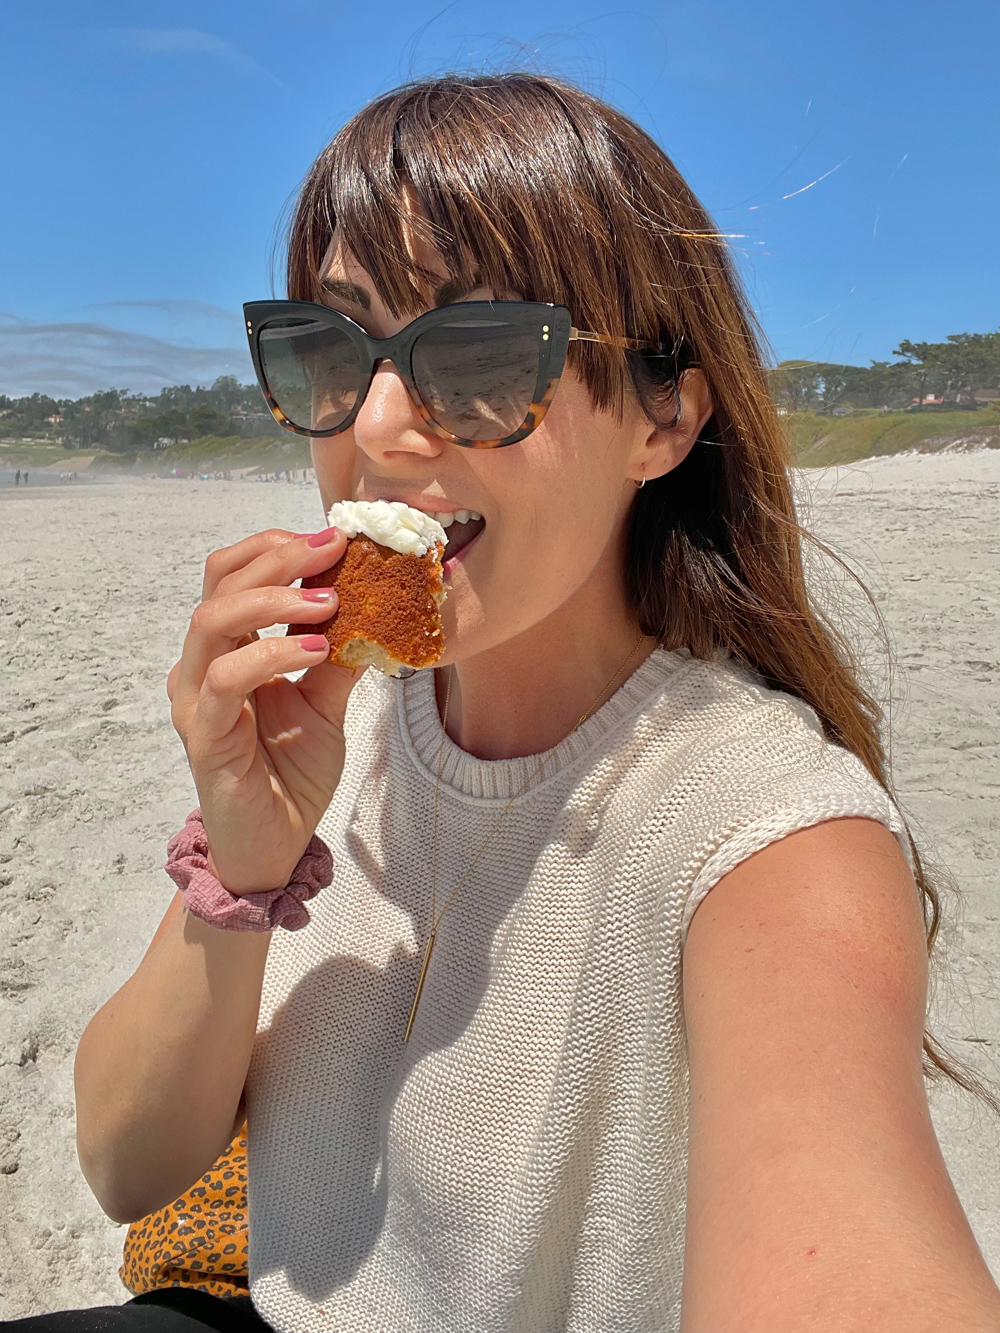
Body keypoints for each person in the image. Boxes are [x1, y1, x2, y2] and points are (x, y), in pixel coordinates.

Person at [16, 73, 1000, 1333]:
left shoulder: (769, 836)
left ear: (661, 419)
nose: (376, 427)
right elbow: (126, 1164)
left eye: (478, 357)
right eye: (332, 348)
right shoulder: (355, 716)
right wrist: (247, 863)